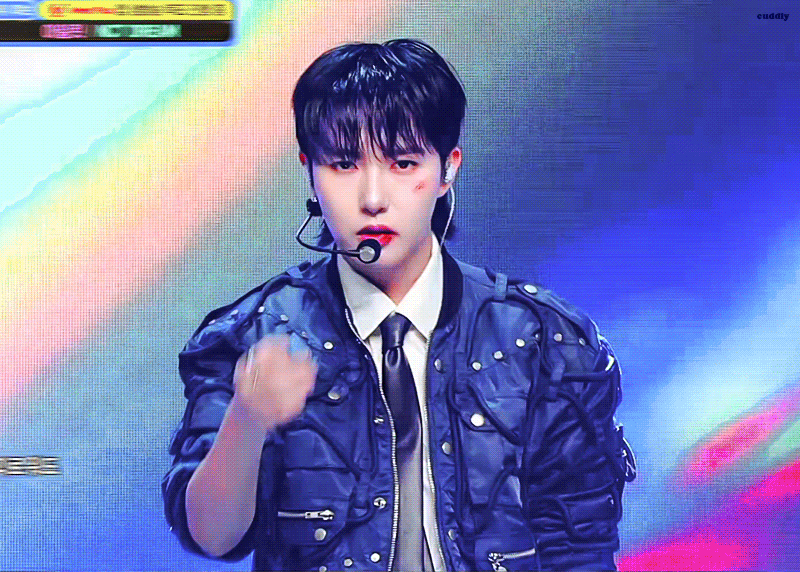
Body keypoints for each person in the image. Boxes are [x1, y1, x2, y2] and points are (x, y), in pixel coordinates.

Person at [162, 39, 636, 571]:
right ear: (309, 172)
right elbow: (212, 538)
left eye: (403, 163)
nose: (372, 198)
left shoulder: (545, 342)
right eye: (343, 164)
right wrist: (247, 420)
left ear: (448, 169)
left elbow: (581, 546)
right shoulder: (253, 334)